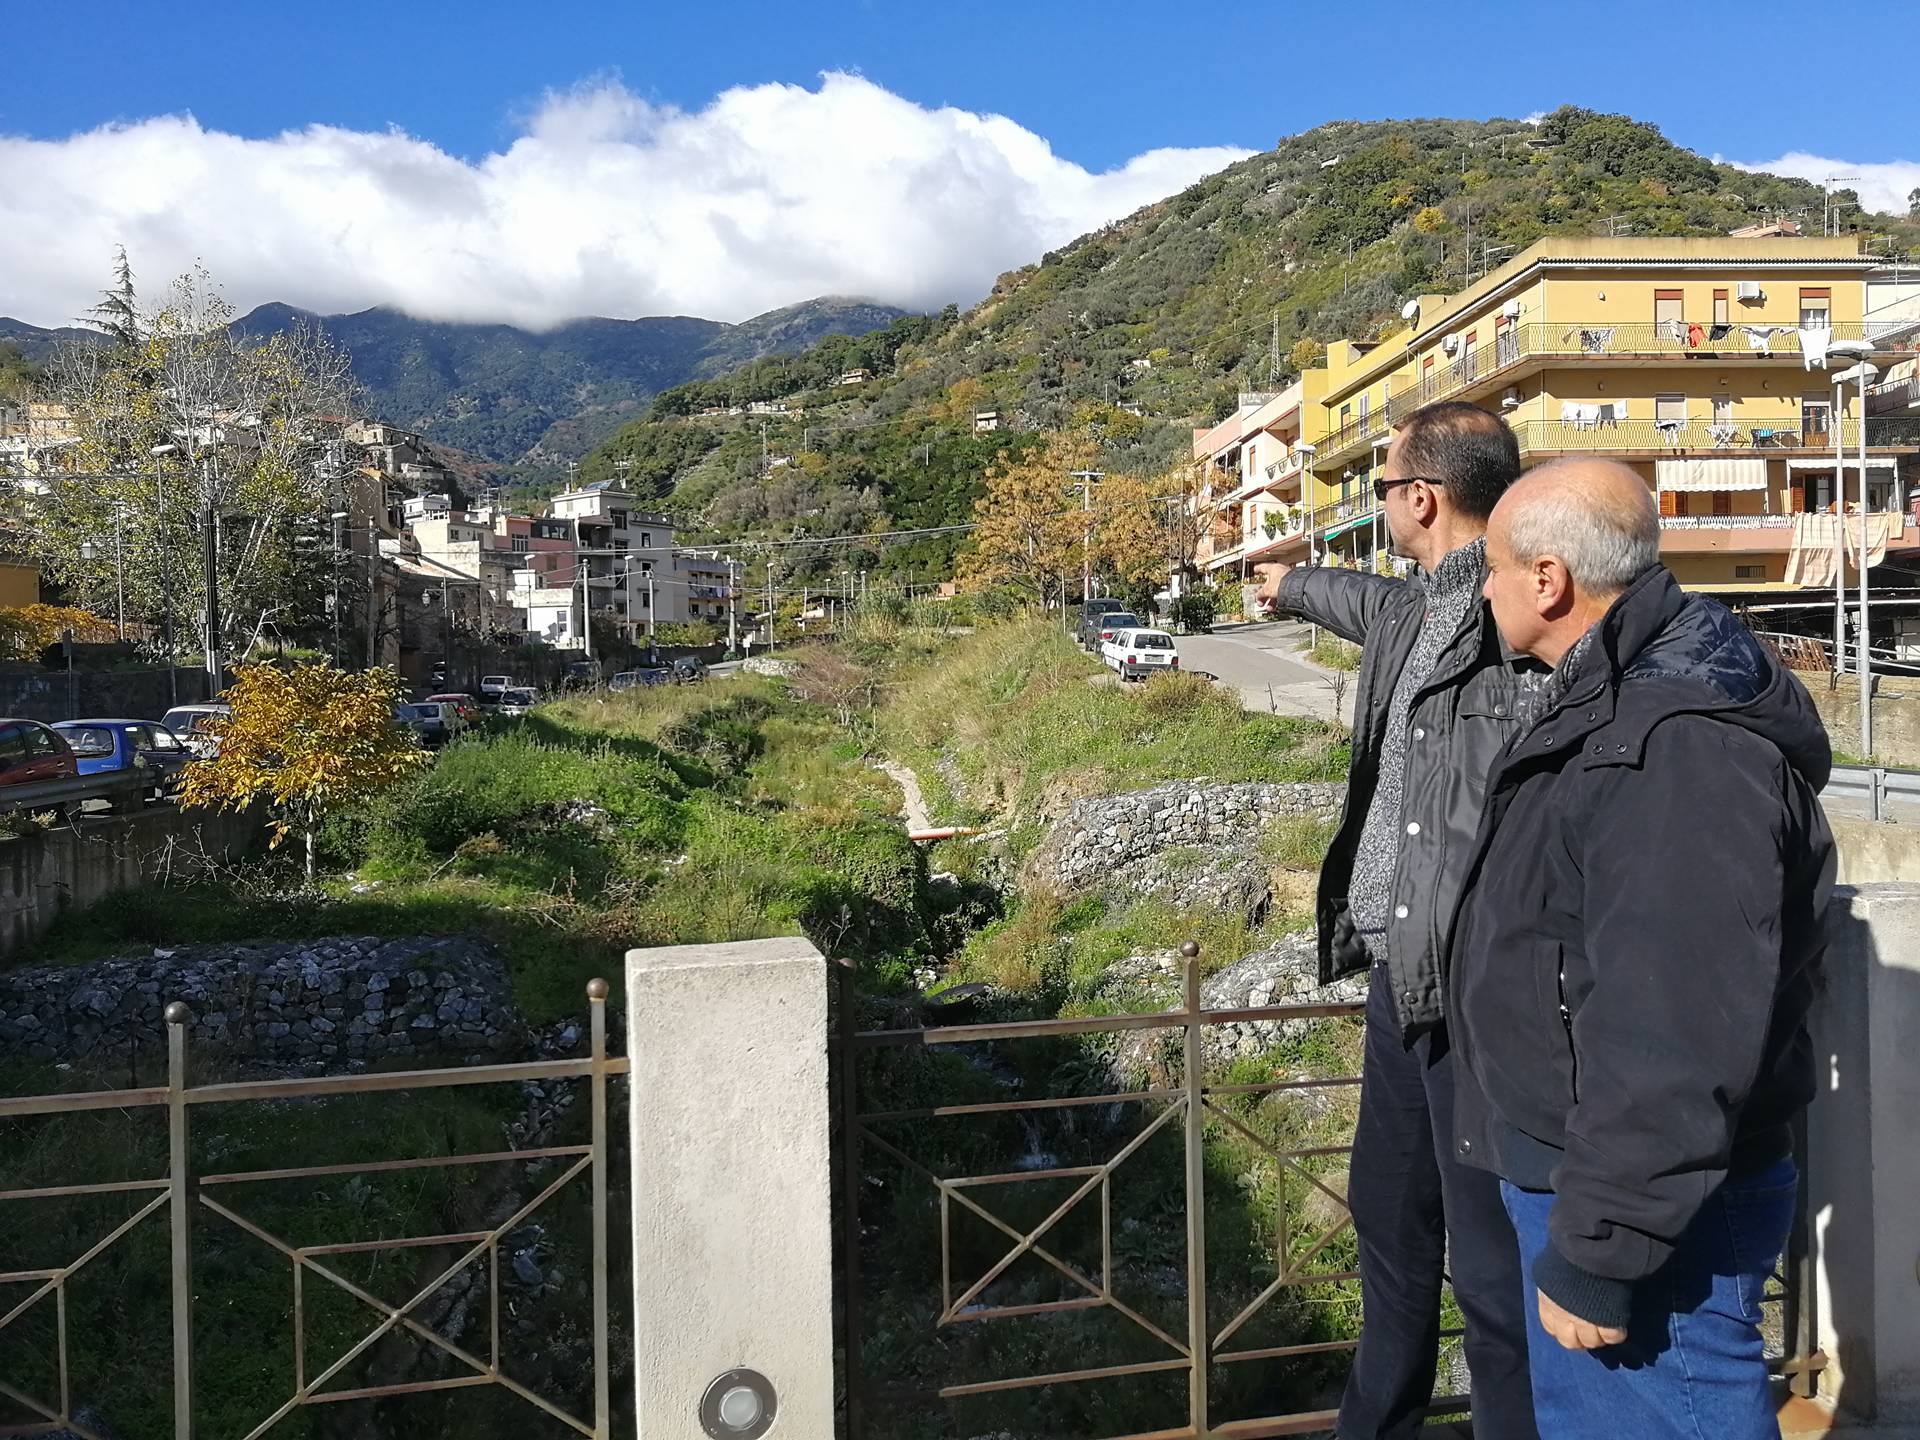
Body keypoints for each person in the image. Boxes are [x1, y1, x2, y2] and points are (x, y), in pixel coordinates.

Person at [1450, 457, 1833, 1438]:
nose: (1480, 586)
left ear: (1548, 580)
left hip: (1641, 1206)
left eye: (1490, 566)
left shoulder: (1673, 744)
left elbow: (1677, 1014)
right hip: (1607, 1180)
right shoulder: (1619, 696)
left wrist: (1603, 1246)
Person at [1252, 401, 1541, 1440]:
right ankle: (1376, 1425)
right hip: (1397, 979)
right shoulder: (1413, 610)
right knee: (1391, 1221)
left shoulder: (1525, 620)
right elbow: (1355, 598)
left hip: (1474, 988)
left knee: (1491, 1258)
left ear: (1419, 497)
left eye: (1380, 487)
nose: (1376, 505)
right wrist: (1285, 584)